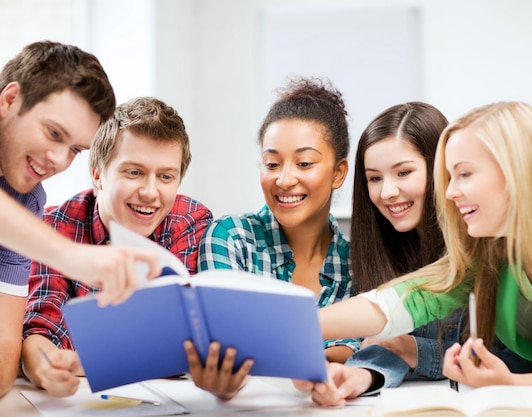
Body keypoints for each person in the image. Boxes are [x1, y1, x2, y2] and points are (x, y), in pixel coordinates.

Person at [316, 101, 532, 400]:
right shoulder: (494, 246)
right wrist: (303, 325)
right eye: (449, 177)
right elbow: (411, 298)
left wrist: (512, 384)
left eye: (464, 174)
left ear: (516, 170)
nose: (449, 192)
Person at [21, 96, 213, 397]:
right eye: (134, 172)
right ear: (98, 174)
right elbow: (42, 330)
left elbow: (178, 342)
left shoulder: (189, 220)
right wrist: (46, 366)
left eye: (165, 176)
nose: (150, 192)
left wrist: (86, 359)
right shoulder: (55, 225)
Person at [0, 41, 160, 397]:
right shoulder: (37, 227)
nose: (58, 159)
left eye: (74, 149)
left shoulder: (26, 203)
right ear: (9, 100)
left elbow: (4, 359)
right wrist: (74, 257)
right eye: (53, 133)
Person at [188, 77, 354, 400]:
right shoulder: (230, 238)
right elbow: (225, 345)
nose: (284, 179)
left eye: (304, 163)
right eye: (271, 163)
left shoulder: (357, 263)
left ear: (338, 172)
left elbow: (359, 351)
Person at [294, 102, 465, 405]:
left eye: (403, 172)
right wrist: (360, 376)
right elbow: (384, 341)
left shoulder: (476, 243)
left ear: (441, 169)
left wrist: (415, 350)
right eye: (374, 178)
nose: (387, 192)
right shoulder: (380, 249)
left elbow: (494, 353)